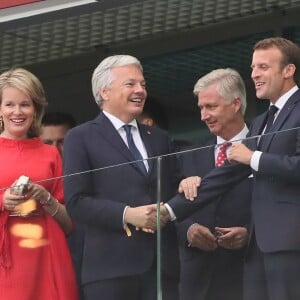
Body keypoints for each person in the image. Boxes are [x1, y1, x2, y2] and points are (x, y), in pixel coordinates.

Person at [163, 37, 300, 300]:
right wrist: (168, 211)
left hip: (290, 245)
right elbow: (225, 175)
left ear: (288, 70)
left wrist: (253, 158)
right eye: (252, 68)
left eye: (263, 67)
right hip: (258, 251)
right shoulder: (262, 121)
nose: (255, 74)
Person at [63, 55, 182, 300]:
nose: (140, 90)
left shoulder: (158, 137)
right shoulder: (80, 137)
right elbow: (76, 201)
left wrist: (180, 195)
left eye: (143, 85)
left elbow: (174, 187)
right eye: (131, 84)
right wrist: (128, 215)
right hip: (110, 270)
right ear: (104, 92)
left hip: (160, 268)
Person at [0, 68, 78, 299]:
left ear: (35, 109)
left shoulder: (50, 154)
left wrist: (45, 197)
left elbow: (69, 224)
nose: (17, 111)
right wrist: (2, 200)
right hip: (7, 261)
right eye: (9, 104)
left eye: (25, 104)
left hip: (48, 255)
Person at [176, 68, 251, 300]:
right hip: (198, 282)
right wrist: (188, 231)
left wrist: (251, 235)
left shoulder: (262, 146)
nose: (203, 115)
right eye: (201, 108)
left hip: (249, 275)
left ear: (236, 104)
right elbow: (170, 211)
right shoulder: (188, 155)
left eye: (211, 107)